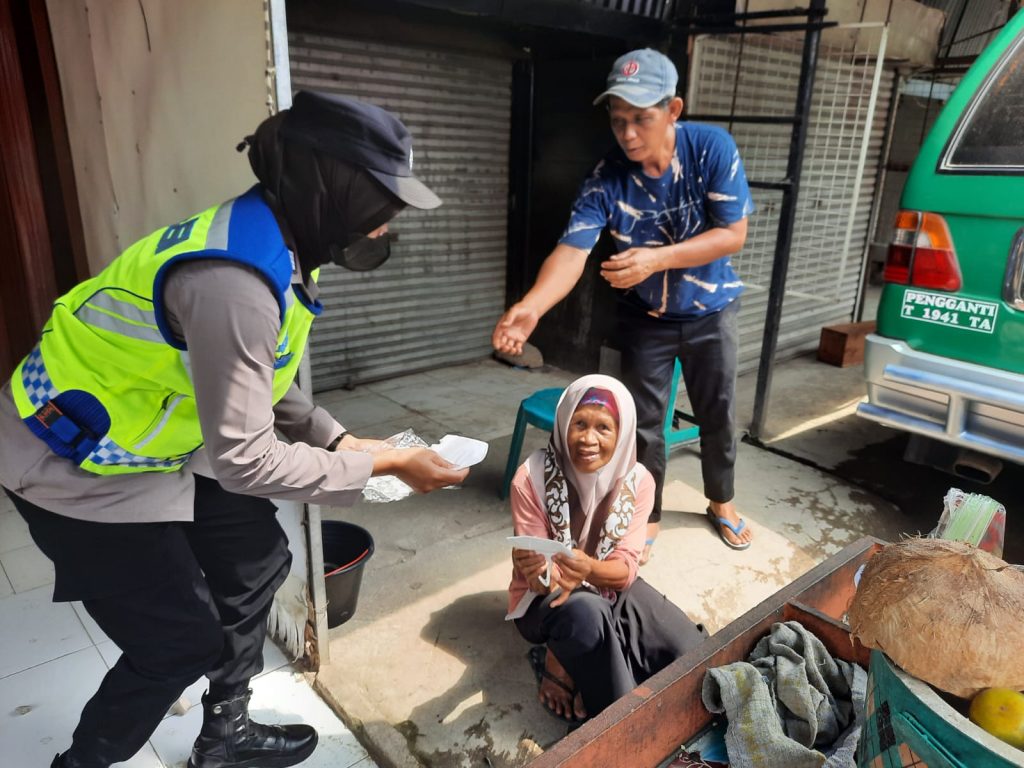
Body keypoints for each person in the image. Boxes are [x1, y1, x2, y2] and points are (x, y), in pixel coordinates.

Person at [0, 92, 469, 768]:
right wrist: (382, 468)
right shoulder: (234, 282)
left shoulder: (275, 246)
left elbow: (266, 383)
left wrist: (340, 441)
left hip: (155, 446)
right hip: (66, 465)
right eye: (378, 206)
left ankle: (226, 736)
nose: (383, 227)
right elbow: (247, 460)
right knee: (175, 646)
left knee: (257, 564)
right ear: (325, 186)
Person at [493, 49, 755, 560]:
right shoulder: (606, 176)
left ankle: (721, 500)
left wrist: (657, 260)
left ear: (673, 109)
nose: (629, 133)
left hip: (710, 313)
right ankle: (646, 514)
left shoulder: (710, 149)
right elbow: (572, 252)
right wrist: (532, 306)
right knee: (643, 424)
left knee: (717, 412)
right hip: (647, 320)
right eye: (618, 121)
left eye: (642, 118)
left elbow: (733, 234)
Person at [506, 374, 708, 723]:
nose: (588, 439)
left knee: (692, 652)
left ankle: (589, 664)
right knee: (587, 615)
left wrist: (589, 570)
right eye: (579, 424)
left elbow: (625, 569)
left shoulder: (639, 481)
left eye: (604, 427)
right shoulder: (531, 477)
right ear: (564, 422)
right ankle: (614, 713)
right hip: (543, 604)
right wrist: (537, 570)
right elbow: (541, 584)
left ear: (623, 432)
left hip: (608, 584)